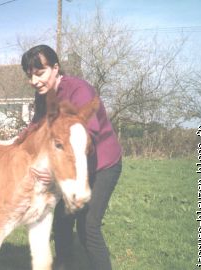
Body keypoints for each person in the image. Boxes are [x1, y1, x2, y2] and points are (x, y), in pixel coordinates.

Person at [20, 45, 122, 270]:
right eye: (30, 76)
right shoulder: (43, 96)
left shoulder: (80, 90)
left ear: (55, 68)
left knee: (88, 227)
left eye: (40, 73)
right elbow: (36, 127)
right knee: (62, 222)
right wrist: (14, 146)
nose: (35, 81)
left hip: (103, 164)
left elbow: (85, 137)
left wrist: (53, 171)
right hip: (72, 164)